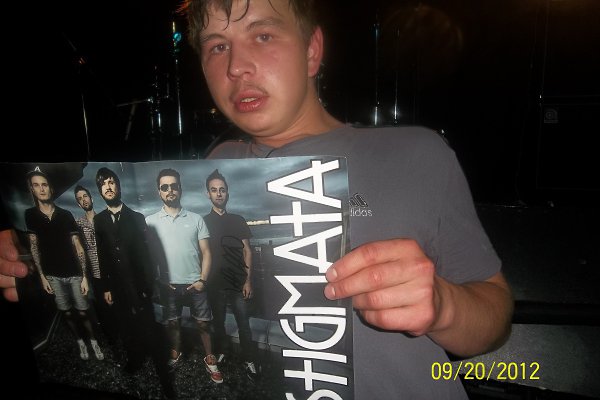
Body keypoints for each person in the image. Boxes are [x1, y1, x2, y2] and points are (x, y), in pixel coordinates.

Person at [0, 0, 513, 398]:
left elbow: (494, 321)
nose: (237, 67)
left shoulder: (416, 154)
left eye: (263, 35)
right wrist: (23, 268)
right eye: (216, 46)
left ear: (312, 51)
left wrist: (443, 305)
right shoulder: (216, 162)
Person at [93, 167, 175, 397]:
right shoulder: (99, 220)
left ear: (118, 186)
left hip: (139, 285)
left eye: (111, 182)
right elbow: (101, 255)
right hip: (117, 285)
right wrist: (106, 287)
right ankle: (135, 358)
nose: (108, 187)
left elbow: (147, 256)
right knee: (126, 326)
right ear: (100, 190)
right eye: (103, 184)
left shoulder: (137, 218)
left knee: (149, 327)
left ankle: (163, 375)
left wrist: (149, 286)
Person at [145, 168, 223, 384]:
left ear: (180, 188)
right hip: (168, 286)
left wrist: (202, 280)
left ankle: (209, 358)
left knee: (204, 324)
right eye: (164, 187)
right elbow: (149, 256)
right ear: (159, 191)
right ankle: (175, 352)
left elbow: (207, 253)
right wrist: (159, 280)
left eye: (174, 186)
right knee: (173, 324)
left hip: (195, 284)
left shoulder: (196, 219)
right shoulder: (150, 222)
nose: (169, 190)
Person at [24, 169, 104, 361]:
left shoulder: (66, 215)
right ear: (32, 190)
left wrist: (84, 276)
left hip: (75, 273)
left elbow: (78, 246)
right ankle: (80, 342)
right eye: (36, 185)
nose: (41, 189)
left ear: (50, 188)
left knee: (83, 311)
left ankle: (93, 341)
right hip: (52, 275)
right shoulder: (30, 215)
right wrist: (42, 277)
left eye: (44, 185)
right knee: (66, 313)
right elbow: (34, 247)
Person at [203, 169, 259, 381]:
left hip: (238, 283)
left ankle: (249, 359)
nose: (218, 194)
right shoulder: (203, 221)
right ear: (208, 194)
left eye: (222, 190)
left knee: (244, 324)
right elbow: (201, 253)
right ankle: (222, 351)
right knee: (218, 323)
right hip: (214, 284)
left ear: (227, 193)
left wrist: (248, 280)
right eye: (214, 190)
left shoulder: (238, 219)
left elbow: (247, 251)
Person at [73, 185, 118, 344]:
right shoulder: (78, 223)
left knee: (117, 304)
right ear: (78, 204)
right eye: (80, 199)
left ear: (91, 198)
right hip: (95, 273)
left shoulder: (104, 219)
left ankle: (123, 334)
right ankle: (111, 339)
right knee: (102, 307)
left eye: (85, 196)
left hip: (111, 270)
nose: (83, 200)